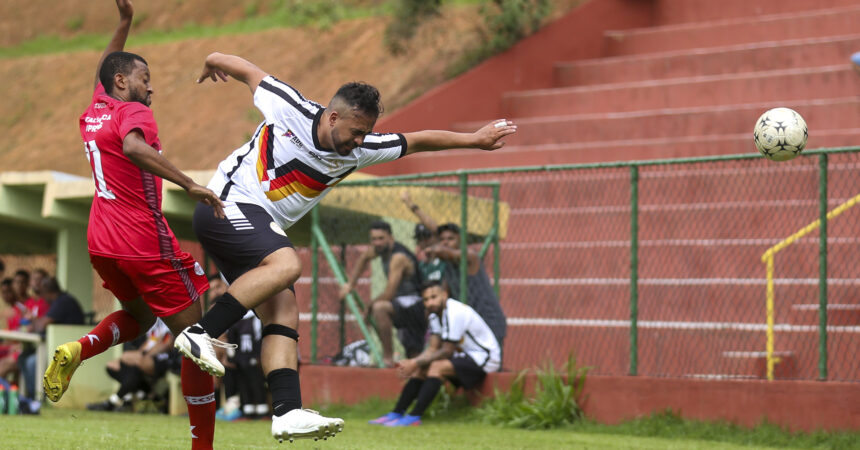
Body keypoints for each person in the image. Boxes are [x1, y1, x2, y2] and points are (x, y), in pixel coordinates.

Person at [173, 50, 516, 442]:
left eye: (365, 134)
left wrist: (474, 141)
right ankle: (201, 332)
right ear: (332, 116)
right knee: (288, 264)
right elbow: (249, 70)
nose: (359, 142)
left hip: (254, 226)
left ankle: (286, 412)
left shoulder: (362, 147)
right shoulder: (289, 108)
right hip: (224, 203)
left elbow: (417, 140)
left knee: (284, 310)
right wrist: (213, 59)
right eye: (355, 131)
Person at [43, 2, 225, 449]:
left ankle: (77, 349)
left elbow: (102, 74)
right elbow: (133, 147)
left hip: (101, 239)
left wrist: (124, 23)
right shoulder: (131, 114)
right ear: (123, 83)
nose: (152, 88)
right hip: (142, 238)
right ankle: (203, 446)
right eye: (145, 79)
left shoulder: (96, 110)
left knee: (140, 318)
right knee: (194, 339)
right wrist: (187, 183)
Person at [369, 280, 501, 427]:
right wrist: (412, 364)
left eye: (434, 297)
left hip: (484, 358)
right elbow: (432, 349)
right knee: (421, 368)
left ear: (445, 294)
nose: (430, 302)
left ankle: (414, 417)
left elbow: (447, 350)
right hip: (463, 357)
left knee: (436, 367)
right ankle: (396, 413)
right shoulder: (434, 315)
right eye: (426, 299)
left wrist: (414, 362)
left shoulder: (455, 312)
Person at [400, 194, 507, 348]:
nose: (446, 242)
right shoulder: (447, 266)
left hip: (488, 320)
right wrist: (413, 207)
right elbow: (435, 231)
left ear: (460, 240)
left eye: (451, 239)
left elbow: (449, 253)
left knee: (489, 367)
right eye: (443, 239)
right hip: (467, 323)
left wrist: (436, 250)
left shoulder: (469, 257)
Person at [339, 221, 426, 366]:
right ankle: (390, 358)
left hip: (416, 303)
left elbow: (389, 293)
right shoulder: (380, 250)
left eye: (381, 238)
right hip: (401, 303)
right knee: (412, 353)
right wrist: (351, 284)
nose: (377, 243)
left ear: (390, 237)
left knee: (380, 308)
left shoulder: (398, 258)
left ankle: (387, 358)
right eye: (373, 239)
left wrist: (368, 307)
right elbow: (364, 258)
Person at [87, 319, 179, 413]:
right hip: (147, 356)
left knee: (127, 359)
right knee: (112, 366)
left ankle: (114, 403)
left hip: (161, 359)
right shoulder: (155, 321)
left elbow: (167, 344)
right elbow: (149, 342)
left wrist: (144, 355)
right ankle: (146, 396)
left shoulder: (168, 321)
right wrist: (140, 354)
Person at [18, 277, 85, 397]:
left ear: (46, 291)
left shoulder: (63, 302)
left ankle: (39, 398)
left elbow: (41, 326)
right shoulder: (59, 301)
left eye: (41, 293)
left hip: (65, 349)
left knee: (31, 362)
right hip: (58, 346)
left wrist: (32, 319)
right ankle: (30, 396)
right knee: (23, 357)